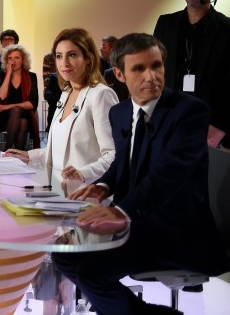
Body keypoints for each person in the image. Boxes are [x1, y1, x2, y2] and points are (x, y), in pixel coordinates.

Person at [52, 33, 227, 314]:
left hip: (174, 228)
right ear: (119, 74)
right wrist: (104, 186)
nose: (151, 76)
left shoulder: (190, 111)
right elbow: (123, 161)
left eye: (156, 66)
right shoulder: (120, 112)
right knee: (63, 257)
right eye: (139, 69)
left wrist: (121, 211)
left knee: (91, 274)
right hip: (138, 221)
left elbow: (169, 173)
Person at [6, 28, 117, 191]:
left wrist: (83, 173)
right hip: (58, 191)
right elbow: (62, 148)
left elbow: (114, 155)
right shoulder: (66, 93)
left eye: (72, 55)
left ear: (88, 59)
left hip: (86, 194)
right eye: (59, 56)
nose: (64, 63)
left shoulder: (102, 95)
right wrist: (30, 155)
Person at [153, 0, 230, 148]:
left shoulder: (227, 29)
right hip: (168, 126)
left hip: (209, 132)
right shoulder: (165, 24)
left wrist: (220, 128)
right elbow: (153, 72)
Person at [0, 44, 39, 150]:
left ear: (23, 60)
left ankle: (7, 150)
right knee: (22, 122)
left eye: (17, 58)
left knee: (18, 113)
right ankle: (15, 154)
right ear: (6, 61)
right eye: (10, 58)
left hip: (25, 113)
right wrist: (8, 74)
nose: (13, 61)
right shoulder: (1, 75)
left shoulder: (31, 76)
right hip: (4, 116)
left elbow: (32, 103)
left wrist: (7, 107)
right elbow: (1, 97)